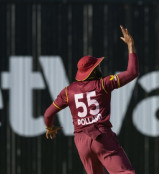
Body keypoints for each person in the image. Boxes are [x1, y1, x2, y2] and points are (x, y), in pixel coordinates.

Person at [44, 25, 138, 174]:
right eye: (97, 66)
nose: (100, 68)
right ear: (93, 71)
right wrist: (131, 45)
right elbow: (132, 72)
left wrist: (49, 128)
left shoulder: (68, 91)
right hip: (102, 138)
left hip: (81, 142)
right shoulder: (103, 84)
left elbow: (48, 114)